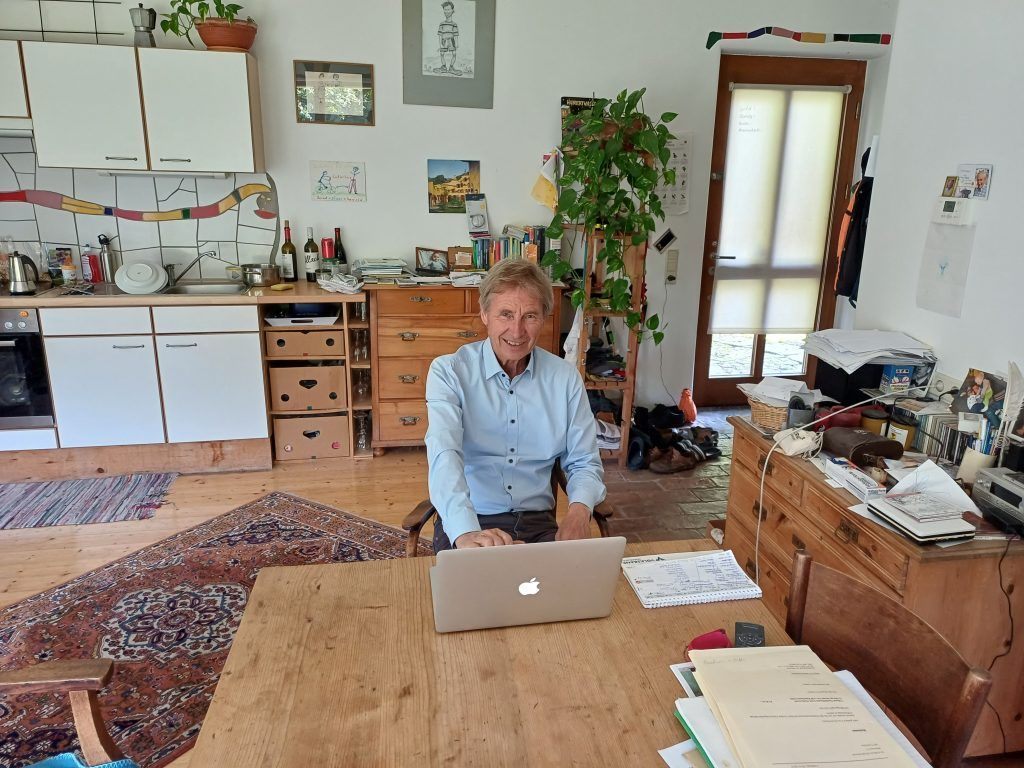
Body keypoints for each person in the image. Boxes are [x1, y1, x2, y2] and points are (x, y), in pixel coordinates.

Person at [425, 259, 605, 550]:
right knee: (476, 580)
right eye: (506, 314)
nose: (517, 331)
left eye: (530, 316)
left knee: (570, 580)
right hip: (472, 519)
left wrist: (579, 511)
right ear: (485, 313)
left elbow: (584, 461)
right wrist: (465, 533)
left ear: (544, 318)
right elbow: (445, 455)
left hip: (538, 524)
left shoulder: (564, 378)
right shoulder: (449, 372)